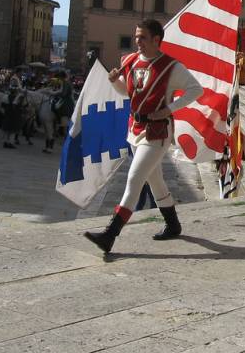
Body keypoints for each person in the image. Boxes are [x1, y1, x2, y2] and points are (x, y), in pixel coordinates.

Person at [83, 19, 203, 254]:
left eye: (143, 38)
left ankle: (110, 234)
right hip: (135, 129)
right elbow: (127, 92)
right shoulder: (130, 61)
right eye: (136, 37)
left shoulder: (171, 67)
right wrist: (114, 80)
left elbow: (195, 90)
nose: (137, 42)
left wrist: (169, 109)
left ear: (157, 40)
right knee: (154, 180)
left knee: (135, 178)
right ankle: (173, 224)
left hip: (157, 132)